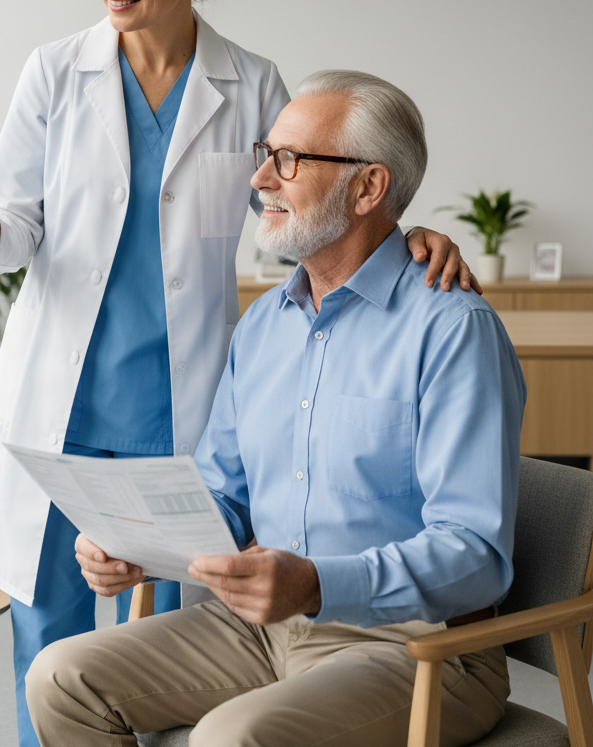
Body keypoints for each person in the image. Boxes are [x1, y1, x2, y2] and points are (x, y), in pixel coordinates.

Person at [0, 0, 476, 747]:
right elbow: (19, 226)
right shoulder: (53, 72)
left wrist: (409, 237)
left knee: (197, 624)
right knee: (51, 626)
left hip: (187, 399)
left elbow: (304, 207)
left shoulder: (251, 81)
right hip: (64, 396)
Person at [26, 70, 525, 747]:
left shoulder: (450, 329)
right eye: (266, 154)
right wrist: (137, 543)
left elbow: (476, 555)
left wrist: (317, 585)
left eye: (289, 161)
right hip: (263, 629)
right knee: (60, 678)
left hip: (417, 647)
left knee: (232, 739)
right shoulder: (264, 325)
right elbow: (224, 498)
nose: (260, 179)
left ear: (368, 188)